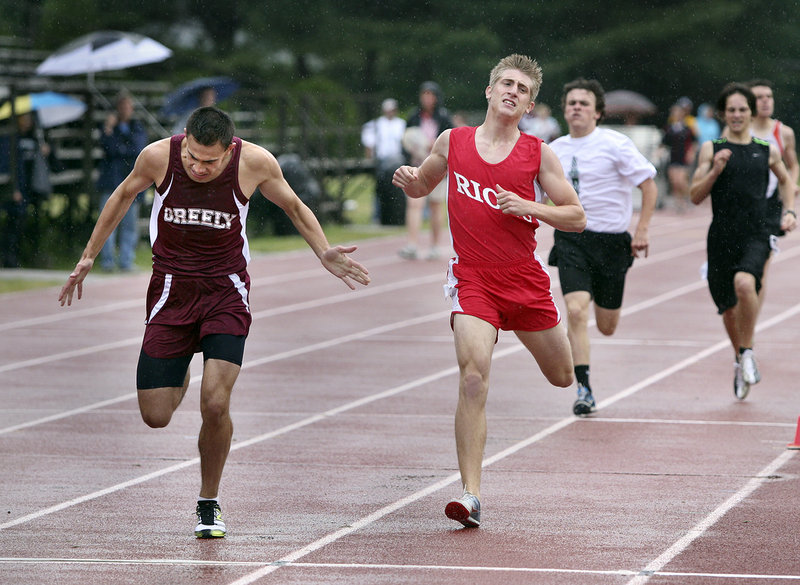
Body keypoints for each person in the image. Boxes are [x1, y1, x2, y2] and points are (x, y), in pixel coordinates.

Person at [58, 106, 370, 538]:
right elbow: (121, 196)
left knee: (216, 403)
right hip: (171, 291)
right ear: (184, 140)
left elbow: (295, 207)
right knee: (156, 416)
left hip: (226, 293)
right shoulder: (157, 157)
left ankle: (208, 502)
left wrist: (323, 252)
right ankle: (182, 363)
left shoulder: (255, 162)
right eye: (193, 157)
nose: (199, 168)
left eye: (210, 161)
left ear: (229, 151)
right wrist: (89, 255)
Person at [393, 54, 585, 528]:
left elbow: (576, 216)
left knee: (563, 377)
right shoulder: (452, 141)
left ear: (530, 104)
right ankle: (470, 495)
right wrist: (411, 182)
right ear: (489, 90)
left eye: (522, 88)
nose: (512, 91)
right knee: (474, 376)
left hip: (524, 280)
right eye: (506, 83)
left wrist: (529, 206)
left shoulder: (538, 153)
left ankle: (567, 356)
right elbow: (423, 186)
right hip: (473, 279)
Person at [547, 78, 658, 416]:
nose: (576, 107)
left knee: (607, 326)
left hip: (611, 242)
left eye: (584, 103)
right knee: (576, 310)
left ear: (597, 112)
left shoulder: (615, 143)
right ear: (565, 110)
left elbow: (648, 185)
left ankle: (603, 310)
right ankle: (584, 388)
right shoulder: (553, 150)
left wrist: (641, 230)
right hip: (572, 239)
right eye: (571, 103)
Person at [690, 83, 795, 400]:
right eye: (731, 110)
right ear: (724, 113)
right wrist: (715, 170)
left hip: (757, 231)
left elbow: (788, 181)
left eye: (742, 109)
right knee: (728, 310)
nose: (737, 115)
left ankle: (747, 352)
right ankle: (739, 359)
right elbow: (695, 196)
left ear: (751, 112)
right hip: (721, 235)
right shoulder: (712, 148)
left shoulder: (767, 149)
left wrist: (788, 210)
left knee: (746, 284)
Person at [399, 81, 453, 260]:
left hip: (438, 169)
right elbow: (405, 141)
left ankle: (435, 246)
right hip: (416, 167)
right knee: (414, 204)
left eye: (431, 94)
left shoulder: (444, 117)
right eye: (424, 94)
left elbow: (452, 142)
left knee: (435, 206)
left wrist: (434, 145)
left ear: (436, 97)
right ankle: (412, 244)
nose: (427, 98)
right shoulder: (414, 117)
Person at [97, 91, 149, 272]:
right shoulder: (108, 128)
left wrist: (119, 146)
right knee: (107, 223)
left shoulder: (137, 126)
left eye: (128, 106)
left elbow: (137, 149)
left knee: (129, 226)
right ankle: (107, 262)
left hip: (132, 183)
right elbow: (108, 147)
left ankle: (126, 261)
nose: (125, 110)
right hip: (111, 182)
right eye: (122, 107)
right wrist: (109, 130)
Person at [0, 112, 52, 267]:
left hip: (30, 188)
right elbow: (9, 165)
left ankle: (17, 258)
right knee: (13, 224)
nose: (27, 122)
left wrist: (46, 151)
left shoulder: (35, 137)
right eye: (23, 118)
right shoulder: (10, 139)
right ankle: (9, 259)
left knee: (22, 224)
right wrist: (14, 188)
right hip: (17, 189)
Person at [360, 98, 407, 225]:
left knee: (399, 187)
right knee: (380, 188)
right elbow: (369, 143)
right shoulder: (377, 124)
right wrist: (369, 158)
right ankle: (377, 214)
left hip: (397, 160)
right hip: (382, 160)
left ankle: (398, 214)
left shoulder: (401, 124)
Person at [662, 99, 697, 211]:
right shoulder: (669, 128)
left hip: (683, 156)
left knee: (681, 181)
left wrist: (691, 153)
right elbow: (664, 143)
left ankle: (688, 197)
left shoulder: (687, 128)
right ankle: (679, 202)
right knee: (674, 182)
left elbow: (694, 142)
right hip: (673, 156)